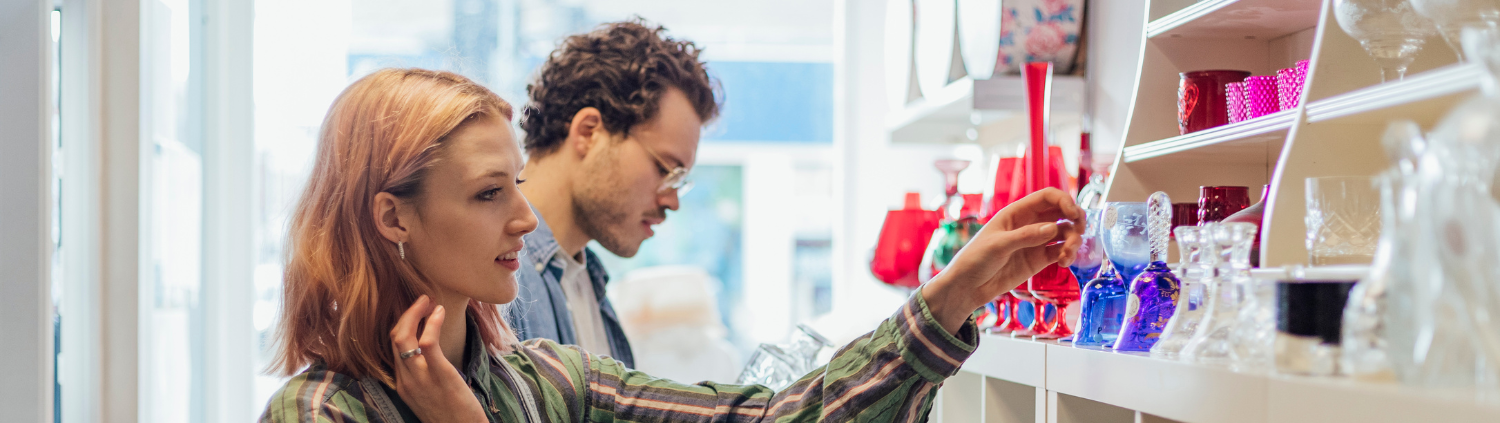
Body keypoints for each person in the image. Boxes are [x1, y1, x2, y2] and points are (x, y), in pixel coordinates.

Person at [260, 67, 1085, 423]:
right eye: (487, 193)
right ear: (391, 217)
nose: (521, 218)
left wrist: (949, 299)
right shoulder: (321, 411)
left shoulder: (548, 378)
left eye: (515, 184)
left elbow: (774, 418)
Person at [506, 19, 720, 367]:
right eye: (665, 169)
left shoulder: (589, 282)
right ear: (589, 133)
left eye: (680, 181)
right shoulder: (499, 281)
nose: (672, 201)